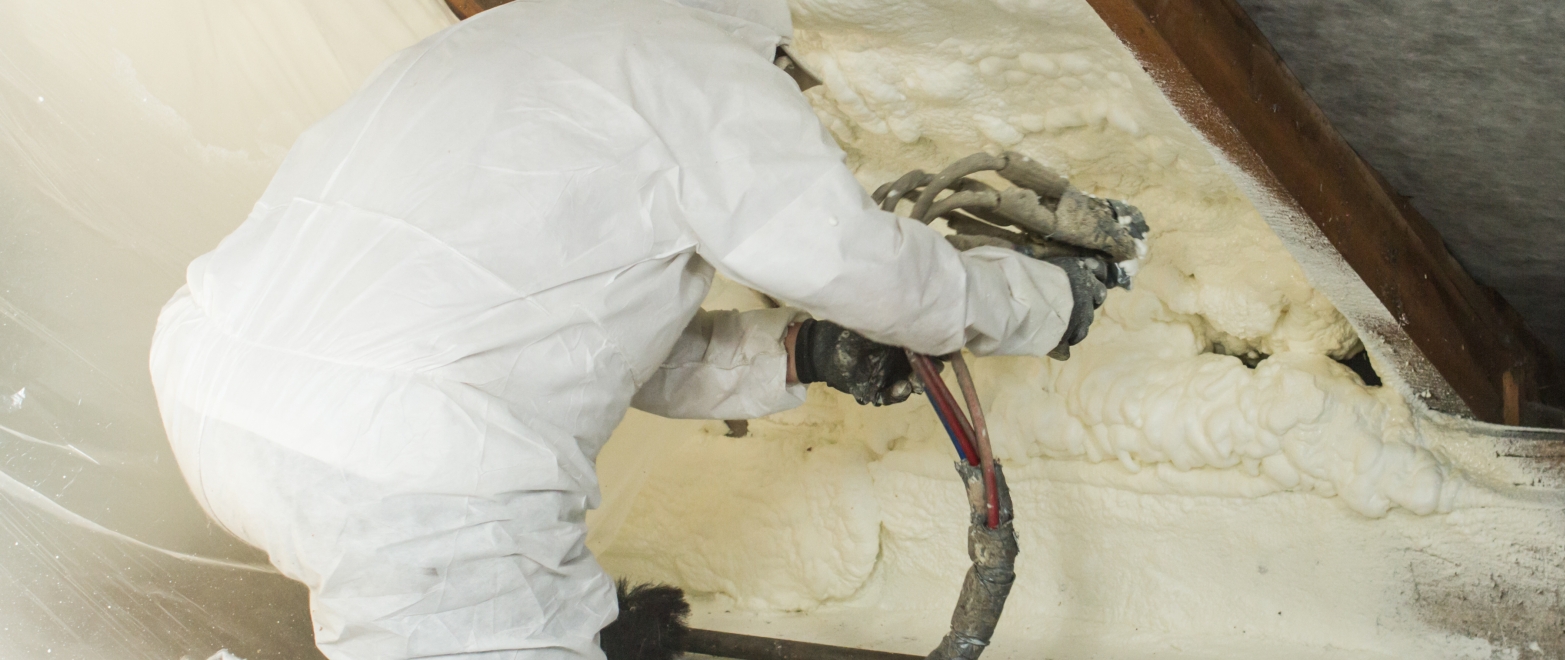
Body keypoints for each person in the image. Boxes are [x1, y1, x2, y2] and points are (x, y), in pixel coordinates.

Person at [147, 0, 1115, 658]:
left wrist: (802, 353)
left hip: (213, 399)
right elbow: (860, 266)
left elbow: (581, 340)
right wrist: (1048, 302)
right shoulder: (693, 64)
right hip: (411, 477)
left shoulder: (493, 41)